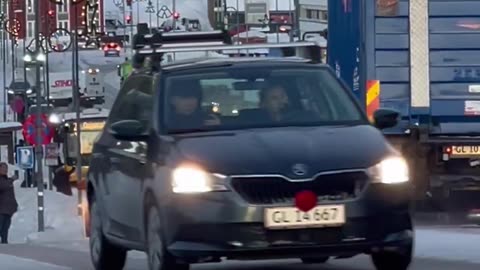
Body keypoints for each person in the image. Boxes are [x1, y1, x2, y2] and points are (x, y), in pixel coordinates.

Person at [0, 162, 19, 244]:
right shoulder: (4, 180)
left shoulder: (6, 179)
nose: (5, 170)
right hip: (1, 209)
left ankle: (4, 244)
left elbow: (10, 194)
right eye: (3, 168)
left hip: (8, 209)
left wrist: (14, 204)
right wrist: (12, 179)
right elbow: (3, 186)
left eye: (6, 168)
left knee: (5, 228)